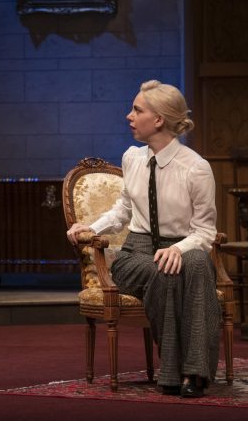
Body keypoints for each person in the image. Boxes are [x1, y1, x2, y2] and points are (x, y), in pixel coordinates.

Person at [66, 80, 221, 398]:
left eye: (137, 110)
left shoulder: (196, 168)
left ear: (159, 119)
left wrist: (177, 248)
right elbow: (123, 211)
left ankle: (190, 372)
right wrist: (91, 228)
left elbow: (205, 232)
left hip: (181, 247)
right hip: (136, 254)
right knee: (167, 270)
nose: (129, 116)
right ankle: (186, 370)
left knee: (194, 262)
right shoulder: (132, 158)